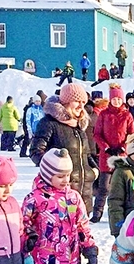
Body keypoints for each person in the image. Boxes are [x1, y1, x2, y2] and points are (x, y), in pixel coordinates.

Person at [29, 83, 97, 216]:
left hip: (83, 195)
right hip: (59, 195)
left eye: (83, 102)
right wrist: (55, 172)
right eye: (76, 101)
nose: (81, 106)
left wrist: (94, 171)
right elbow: (36, 152)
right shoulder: (49, 123)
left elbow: (86, 155)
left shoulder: (79, 126)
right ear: (65, 102)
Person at [91, 85, 134, 223]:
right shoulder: (104, 115)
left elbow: (132, 134)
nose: (116, 101)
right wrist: (106, 148)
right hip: (107, 156)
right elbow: (97, 134)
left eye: (118, 99)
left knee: (123, 187)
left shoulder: (127, 115)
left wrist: (123, 148)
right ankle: (97, 213)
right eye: (114, 99)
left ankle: (123, 213)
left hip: (122, 155)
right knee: (103, 187)